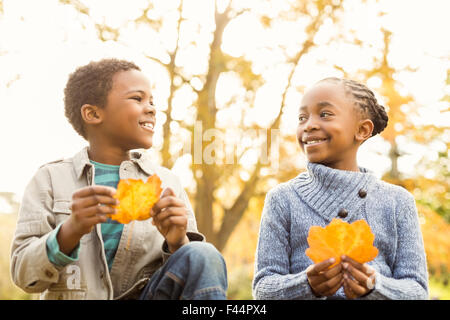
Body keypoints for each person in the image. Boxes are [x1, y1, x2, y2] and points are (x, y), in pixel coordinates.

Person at [10, 58, 227, 300]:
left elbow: (192, 274)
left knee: (203, 253)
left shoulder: (168, 184)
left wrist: (178, 242)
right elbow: (23, 273)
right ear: (93, 113)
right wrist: (70, 230)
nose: (152, 108)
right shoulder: (49, 180)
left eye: (152, 102)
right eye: (137, 98)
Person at [252, 77, 428, 300]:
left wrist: (376, 287)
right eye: (302, 118)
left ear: (362, 130)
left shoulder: (398, 201)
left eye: (324, 114)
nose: (309, 125)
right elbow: (263, 288)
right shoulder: (282, 199)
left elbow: (418, 291)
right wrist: (304, 285)